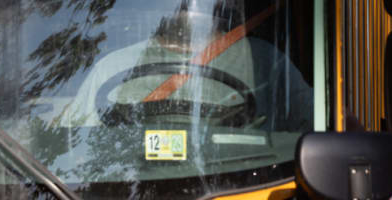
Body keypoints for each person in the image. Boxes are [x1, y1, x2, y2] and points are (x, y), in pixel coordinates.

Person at [59, 1, 312, 131]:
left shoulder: (265, 62)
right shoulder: (111, 67)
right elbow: (74, 145)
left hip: (245, 190)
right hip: (123, 198)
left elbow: (313, 131)